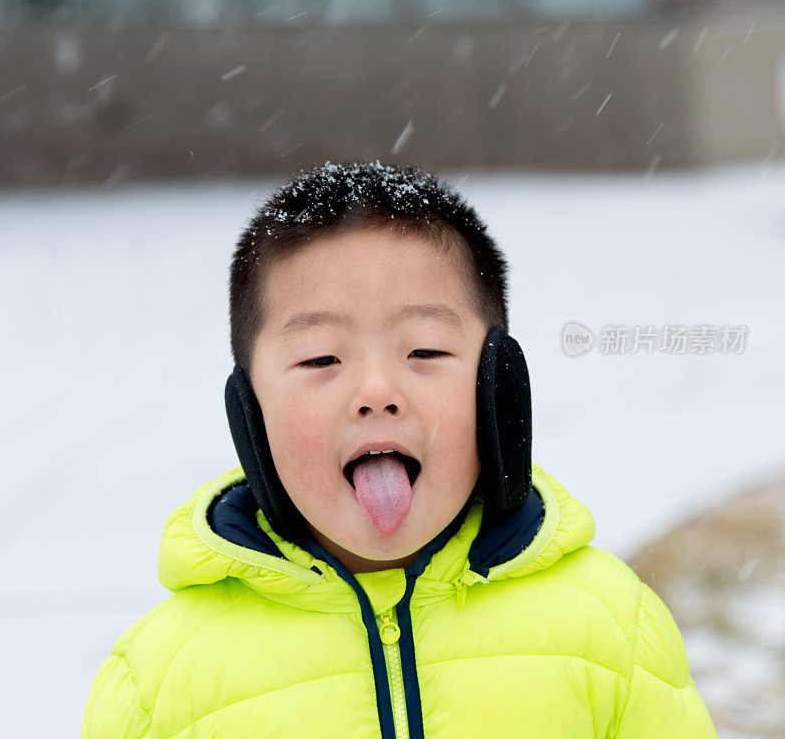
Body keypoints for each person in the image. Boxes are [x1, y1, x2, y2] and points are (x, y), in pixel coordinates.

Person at [80, 160, 717, 738]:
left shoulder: (610, 629)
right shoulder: (159, 684)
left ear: (497, 387)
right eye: (320, 358)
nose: (377, 393)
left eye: (425, 352)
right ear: (251, 415)